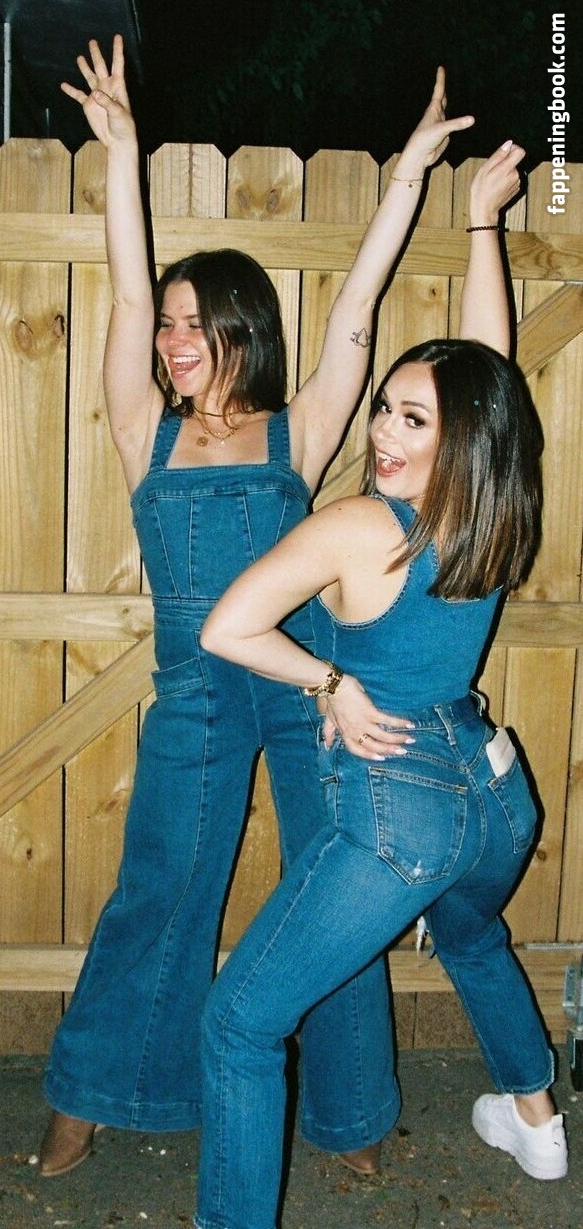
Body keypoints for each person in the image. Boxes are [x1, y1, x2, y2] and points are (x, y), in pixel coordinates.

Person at [39, 34, 484, 1179]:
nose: (173, 340)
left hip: (309, 694)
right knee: (161, 888)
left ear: (242, 328)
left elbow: (357, 309)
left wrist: (406, 177)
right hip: (193, 693)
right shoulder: (145, 430)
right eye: (168, 325)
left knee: (327, 893)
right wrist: (121, 152)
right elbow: (123, 288)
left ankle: (350, 1113)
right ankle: (95, 1089)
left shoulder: (303, 428)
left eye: (196, 321)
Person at [195, 154, 569, 1229]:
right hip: (494, 802)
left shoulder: (362, 525)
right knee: (474, 939)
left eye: (413, 419)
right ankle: (537, 1119)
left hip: (402, 811)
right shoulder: (487, 508)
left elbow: (228, 627)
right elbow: (489, 370)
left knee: (238, 1025)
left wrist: (329, 677)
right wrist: (481, 222)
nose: (384, 433)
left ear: (458, 434)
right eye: (386, 411)